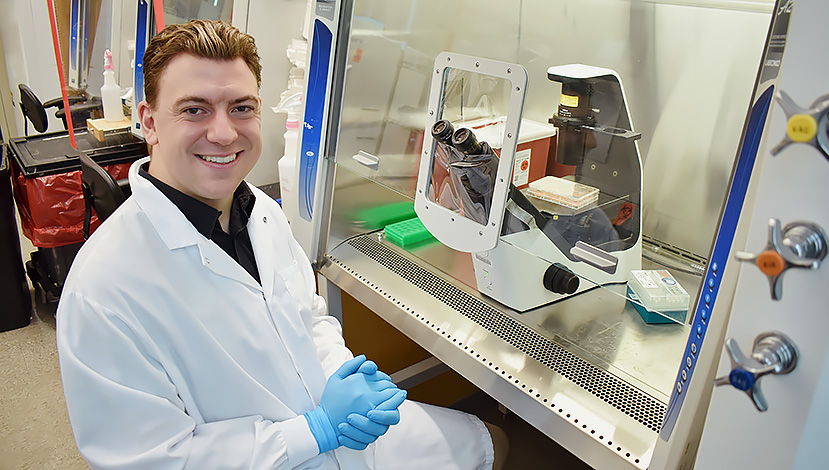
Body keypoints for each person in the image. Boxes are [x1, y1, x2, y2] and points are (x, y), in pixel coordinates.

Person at [56, 19, 508, 470]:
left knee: (492, 442)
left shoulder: (263, 214)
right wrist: (312, 432)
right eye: (194, 110)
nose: (223, 133)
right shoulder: (102, 292)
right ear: (149, 122)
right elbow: (153, 460)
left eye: (241, 107)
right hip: (269, 456)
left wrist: (343, 376)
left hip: (340, 431)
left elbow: (307, 316)